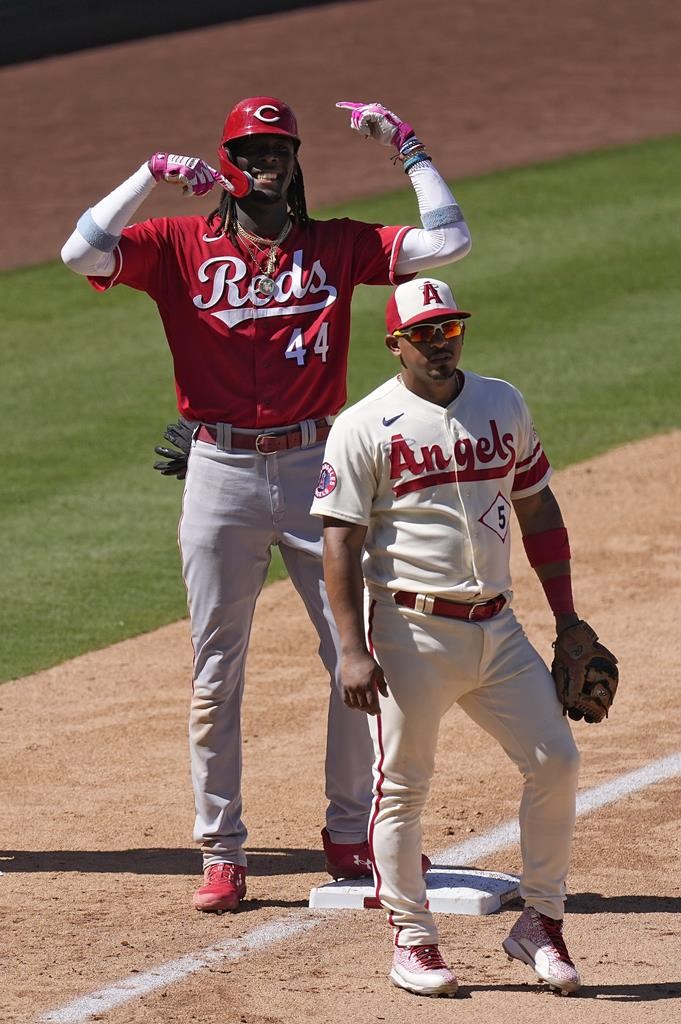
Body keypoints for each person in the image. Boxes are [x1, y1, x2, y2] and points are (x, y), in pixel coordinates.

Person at [60, 98, 472, 913]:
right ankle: (222, 851)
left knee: (354, 659)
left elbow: (449, 240)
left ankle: (351, 831)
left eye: (278, 149)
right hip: (219, 471)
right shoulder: (180, 245)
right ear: (227, 160)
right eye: (250, 150)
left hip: (321, 466)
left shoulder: (336, 244)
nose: (265, 163)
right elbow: (80, 252)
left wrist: (406, 144)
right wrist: (150, 173)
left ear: (294, 161)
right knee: (217, 673)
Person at [311, 276, 589, 997]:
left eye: (450, 330)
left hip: (498, 626)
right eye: (424, 334)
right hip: (409, 630)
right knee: (402, 786)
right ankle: (413, 938)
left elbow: (538, 507)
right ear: (395, 343)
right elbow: (338, 542)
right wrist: (349, 647)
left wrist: (567, 621)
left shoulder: (503, 401)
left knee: (556, 759)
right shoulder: (364, 425)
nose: (440, 344)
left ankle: (542, 924)